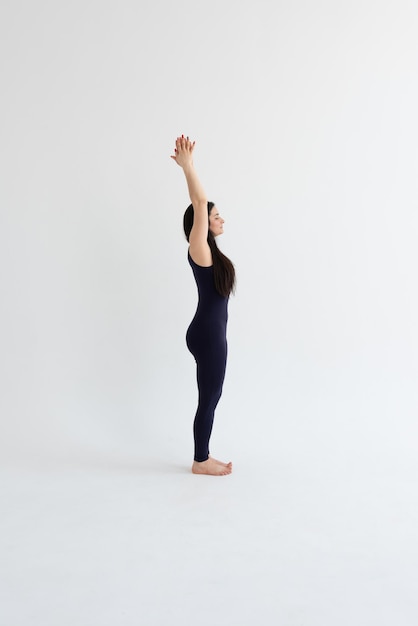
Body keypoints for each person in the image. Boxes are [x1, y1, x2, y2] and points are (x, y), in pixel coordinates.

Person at [171, 135, 236, 476]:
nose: (221, 219)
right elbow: (199, 201)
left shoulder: (212, 254)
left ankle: (202, 456)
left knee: (213, 394)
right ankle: (200, 460)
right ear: (202, 225)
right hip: (208, 335)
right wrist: (188, 167)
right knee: (209, 397)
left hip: (210, 333)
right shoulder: (200, 249)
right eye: (216, 216)